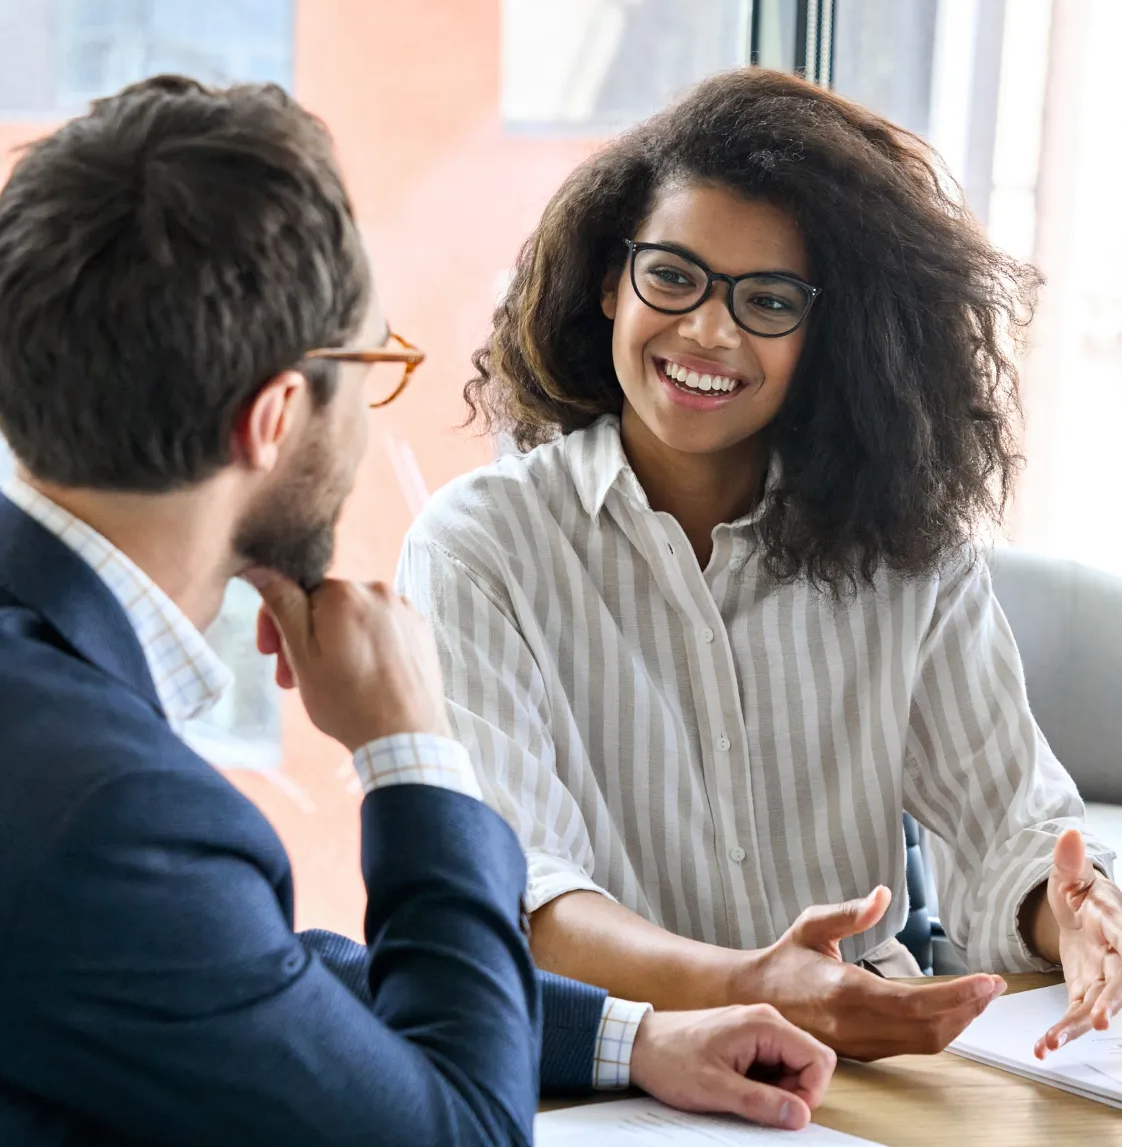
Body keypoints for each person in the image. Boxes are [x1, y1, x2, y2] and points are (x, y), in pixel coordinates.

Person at [0, 76, 837, 1145]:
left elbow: (243, 986)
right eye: (367, 367)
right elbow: (463, 1133)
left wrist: (632, 1038)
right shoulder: (104, 810)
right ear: (272, 418)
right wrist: (411, 751)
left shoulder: (57, 727)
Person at [397, 67, 1122, 1064]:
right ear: (612, 280)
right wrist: (753, 986)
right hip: (613, 1082)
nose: (708, 329)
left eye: (769, 299)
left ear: (830, 335)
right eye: (673, 275)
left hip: (865, 1079)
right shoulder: (480, 546)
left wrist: (1076, 916)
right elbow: (525, 894)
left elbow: (1011, 832)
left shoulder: (908, 548)